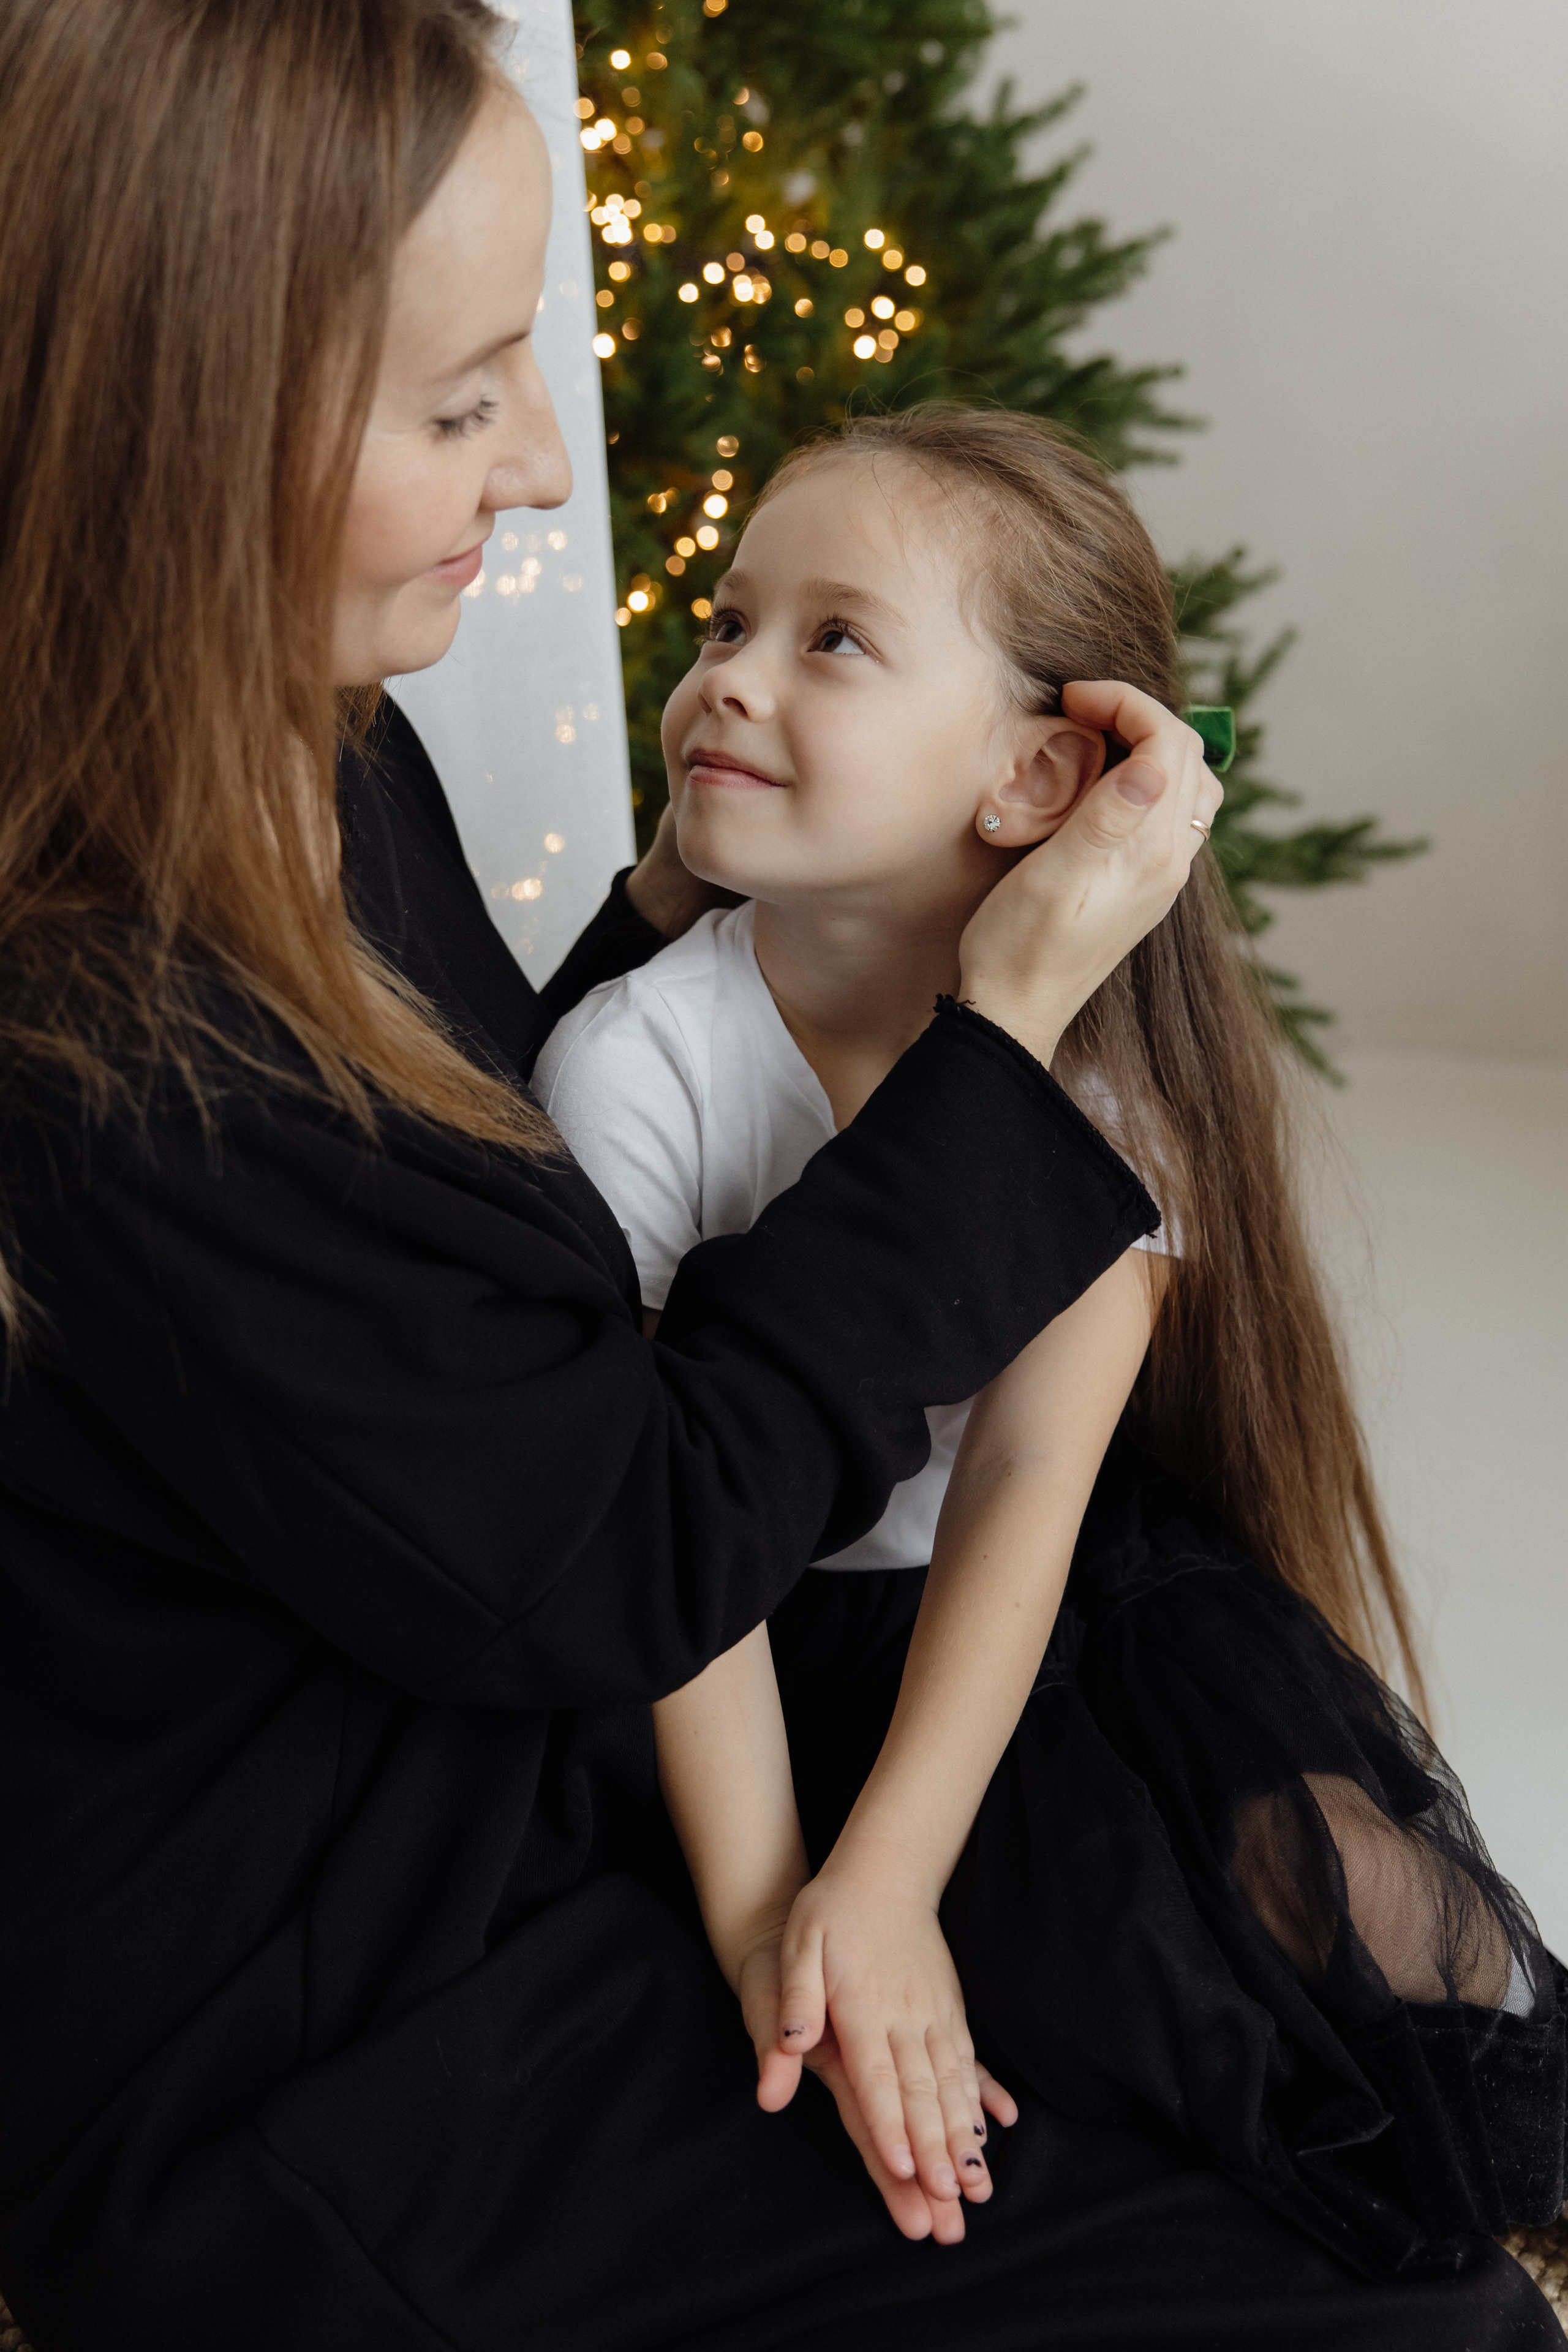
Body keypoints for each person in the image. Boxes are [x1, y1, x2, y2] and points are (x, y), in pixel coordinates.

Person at [0, 2, 1555, 2346]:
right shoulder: (114, 1015)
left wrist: (669, 932)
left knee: (1342, 2021)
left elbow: (446, 1227)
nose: (541, 465)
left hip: (499, 1775)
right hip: (320, 2018)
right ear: (179, 416)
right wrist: (1000, 1028)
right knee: (1418, 2314)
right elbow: (614, 1529)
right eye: (456, 402)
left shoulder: (304, 737)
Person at [535, 409, 1568, 2275]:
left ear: (1029, 781)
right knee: (1093, 2032)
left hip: (1019, 1622)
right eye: (724, 620)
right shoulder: (632, 1063)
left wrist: (896, 1868)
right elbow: (679, 1560)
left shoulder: (1100, 1086)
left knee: (1383, 1929)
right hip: (737, 1661)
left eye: (830, 639)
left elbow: (1026, 1481)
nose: (724, 682)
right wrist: (792, 1908)